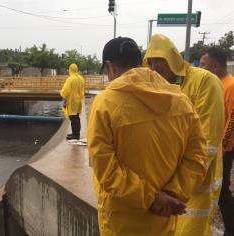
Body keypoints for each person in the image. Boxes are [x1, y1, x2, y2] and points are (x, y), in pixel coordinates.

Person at [87, 36, 207, 236]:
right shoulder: (181, 101)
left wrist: (151, 198)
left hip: (121, 221)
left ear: (110, 66)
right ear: (139, 61)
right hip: (164, 217)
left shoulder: (105, 104)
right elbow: (197, 156)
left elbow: (105, 169)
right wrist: (172, 193)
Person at [144, 34, 225, 236]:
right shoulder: (157, 88)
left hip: (198, 180)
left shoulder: (205, 81)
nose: (154, 67)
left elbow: (208, 142)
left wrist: (177, 187)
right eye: (150, 62)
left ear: (173, 59)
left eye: (159, 61)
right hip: (167, 182)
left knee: (192, 230)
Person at [200, 47, 234, 236]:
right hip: (217, 147)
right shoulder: (216, 84)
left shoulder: (230, 86)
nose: (201, 67)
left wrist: (224, 147)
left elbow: (232, 120)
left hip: (225, 149)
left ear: (214, 66)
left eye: (204, 64)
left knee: (222, 193)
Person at [60, 63, 85, 140]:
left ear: (70, 70)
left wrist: (62, 94)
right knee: (76, 117)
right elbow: (82, 90)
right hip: (78, 100)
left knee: (73, 117)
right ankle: (76, 134)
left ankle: (75, 135)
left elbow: (65, 91)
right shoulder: (81, 78)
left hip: (72, 100)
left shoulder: (70, 79)